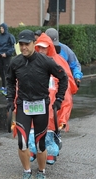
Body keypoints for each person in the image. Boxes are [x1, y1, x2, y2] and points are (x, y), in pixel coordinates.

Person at [6, 29, 68, 179]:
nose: (24, 47)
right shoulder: (15, 62)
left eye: (27, 44)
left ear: (34, 44)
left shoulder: (45, 61)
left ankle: (41, 172)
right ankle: (27, 171)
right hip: (23, 106)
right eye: (21, 44)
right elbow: (10, 82)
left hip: (41, 106)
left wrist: (59, 99)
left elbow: (63, 77)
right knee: (22, 142)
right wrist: (10, 100)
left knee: (40, 144)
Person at [30, 33, 78, 165]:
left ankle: (49, 151)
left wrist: (62, 113)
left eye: (44, 48)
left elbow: (67, 81)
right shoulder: (31, 62)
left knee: (50, 128)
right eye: (39, 47)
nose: (41, 51)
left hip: (52, 103)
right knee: (33, 128)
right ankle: (34, 149)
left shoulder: (59, 60)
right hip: (36, 101)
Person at [0, 23, 16, 96]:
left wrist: (7, 53)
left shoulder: (10, 36)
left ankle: (8, 87)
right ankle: (3, 86)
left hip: (6, 57)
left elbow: (12, 47)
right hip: (0, 56)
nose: (1, 29)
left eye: (2, 28)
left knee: (7, 72)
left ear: (5, 29)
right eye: (0, 28)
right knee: (1, 71)